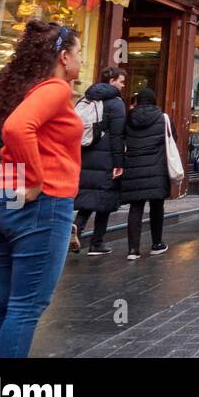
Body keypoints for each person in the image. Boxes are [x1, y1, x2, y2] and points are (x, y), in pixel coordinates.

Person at [0, 20, 83, 358]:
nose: (81, 59)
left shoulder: (33, 90)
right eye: (79, 52)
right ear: (64, 57)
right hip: (40, 203)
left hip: (3, 198)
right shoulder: (57, 89)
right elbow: (17, 128)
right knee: (25, 307)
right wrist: (36, 180)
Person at [72, 67, 127, 256]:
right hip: (107, 156)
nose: (123, 85)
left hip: (86, 153)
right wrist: (119, 163)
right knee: (105, 200)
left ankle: (77, 229)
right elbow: (118, 136)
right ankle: (97, 242)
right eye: (121, 81)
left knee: (88, 196)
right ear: (111, 81)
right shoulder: (116, 103)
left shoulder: (87, 98)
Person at [121, 88, 172, 260]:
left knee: (136, 207)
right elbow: (172, 137)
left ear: (137, 101)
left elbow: (122, 139)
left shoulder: (129, 118)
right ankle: (156, 243)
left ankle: (133, 249)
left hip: (134, 167)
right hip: (157, 167)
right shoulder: (162, 117)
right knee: (157, 206)